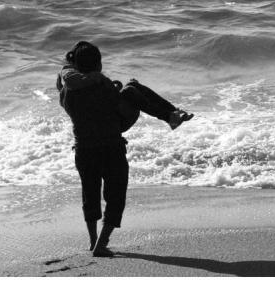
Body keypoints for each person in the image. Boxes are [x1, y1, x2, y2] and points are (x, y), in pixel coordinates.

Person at [56, 41, 194, 257]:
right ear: (98, 65)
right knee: (115, 195)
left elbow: (67, 74)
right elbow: (115, 106)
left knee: (89, 193)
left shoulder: (66, 91)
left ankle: (93, 241)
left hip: (84, 147)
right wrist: (117, 89)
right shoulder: (102, 85)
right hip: (111, 144)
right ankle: (171, 115)